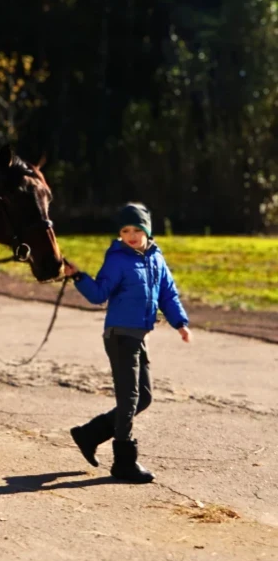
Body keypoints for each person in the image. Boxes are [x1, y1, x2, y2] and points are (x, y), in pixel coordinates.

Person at [63, 202, 191, 483]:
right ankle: (123, 461)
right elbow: (99, 295)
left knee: (143, 397)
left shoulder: (156, 258)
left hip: (137, 336)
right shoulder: (118, 258)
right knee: (130, 398)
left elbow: (168, 293)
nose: (131, 235)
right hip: (120, 336)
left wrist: (180, 322)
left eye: (136, 229)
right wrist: (78, 277)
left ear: (147, 230)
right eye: (125, 230)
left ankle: (89, 434)